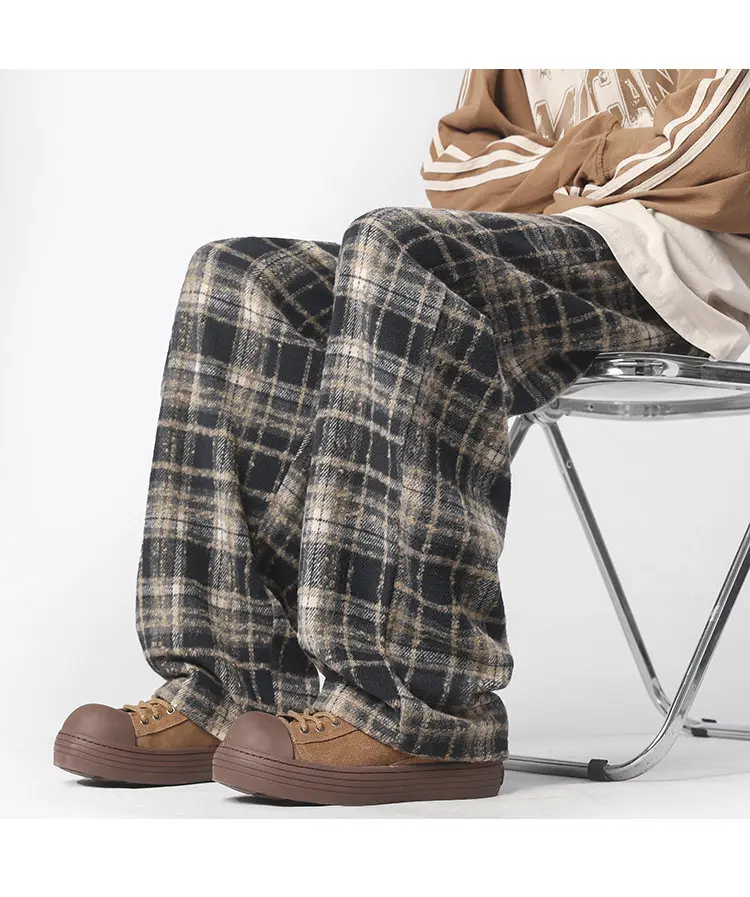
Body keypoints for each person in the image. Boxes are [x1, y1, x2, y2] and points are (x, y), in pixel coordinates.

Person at [54, 69, 750, 806]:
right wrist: (613, 162)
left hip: (691, 275)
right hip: (547, 253)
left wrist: (549, 171)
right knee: (243, 276)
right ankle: (232, 686)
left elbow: (725, 151)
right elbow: (457, 169)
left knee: (401, 248)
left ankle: (419, 711)